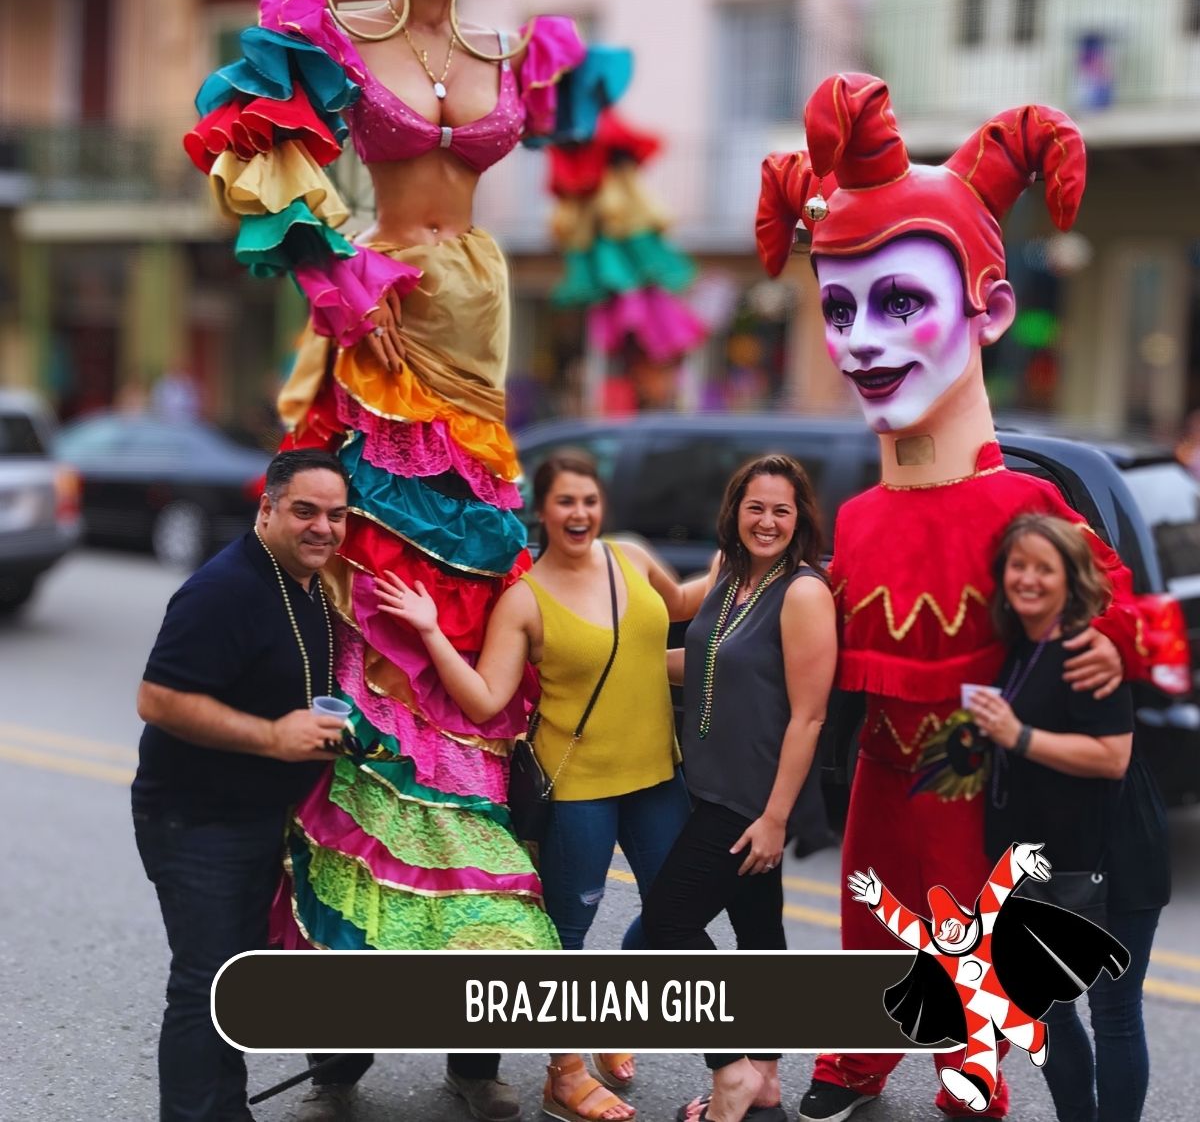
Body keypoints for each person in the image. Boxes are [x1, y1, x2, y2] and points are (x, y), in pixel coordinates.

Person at [179, 0, 633, 1120]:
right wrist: (330, 267)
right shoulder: (334, 29)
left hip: (481, 348)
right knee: (377, 632)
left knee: (463, 628)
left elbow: (581, 205)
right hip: (379, 343)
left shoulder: (516, 49)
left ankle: (475, 965)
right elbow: (261, 165)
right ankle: (347, 952)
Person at [754, 74, 1152, 1122]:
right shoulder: (853, 514)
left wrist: (1117, 647)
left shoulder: (1024, 502)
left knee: (961, 922)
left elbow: (1113, 611)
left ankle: (966, 1071)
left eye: (898, 302)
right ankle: (853, 1058)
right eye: (839, 306)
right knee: (864, 914)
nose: (860, 343)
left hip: (977, 771)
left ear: (991, 309)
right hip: (879, 766)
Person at [376, 449, 706, 1122]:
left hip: (657, 777)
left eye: (588, 500)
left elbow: (678, 610)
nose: (579, 513)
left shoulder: (633, 557)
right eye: (565, 502)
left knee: (678, 911)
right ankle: (564, 1071)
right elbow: (484, 698)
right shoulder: (524, 601)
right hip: (577, 787)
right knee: (567, 934)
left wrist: (748, 562)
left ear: (601, 505)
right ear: (544, 511)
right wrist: (433, 631)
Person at [132, 448, 350, 1122]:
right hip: (197, 818)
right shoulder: (224, 589)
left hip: (258, 814)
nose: (323, 528)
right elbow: (158, 699)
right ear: (267, 509)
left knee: (233, 982)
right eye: (305, 511)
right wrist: (271, 736)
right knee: (205, 986)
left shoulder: (307, 581)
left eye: (336, 515)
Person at [637, 454, 838, 1122]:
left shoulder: (803, 592)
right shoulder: (729, 577)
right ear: (736, 511)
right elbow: (698, 657)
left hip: (751, 796)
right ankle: (769, 1083)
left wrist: (776, 817)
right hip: (713, 781)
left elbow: (809, 714)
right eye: (756, 507)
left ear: (800, 518)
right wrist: (601, 659)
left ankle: (730, 1074)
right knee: (759, 931)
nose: (768, 521)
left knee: (668, 924)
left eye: (782, 510)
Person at [970, 513, 1170, 1122]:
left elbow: (1112, 758)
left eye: (1043, 568)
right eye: (1018, 565)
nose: (1028, 579)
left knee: (1112, 1010)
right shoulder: (1021, 644)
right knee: (1046, 1005)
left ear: (1069, 579)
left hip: (1113, 855)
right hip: (1042, 858)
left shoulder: (1086, 647)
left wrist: (1018, 735)